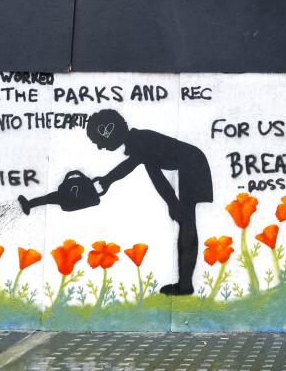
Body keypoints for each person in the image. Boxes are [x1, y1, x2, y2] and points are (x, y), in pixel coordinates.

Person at [86, 108, 213, 296]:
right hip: (192, 163)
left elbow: (152, 174)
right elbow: (146, 170)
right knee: (186, 225)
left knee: (187, 226)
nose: (100, 147)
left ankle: (185, 285)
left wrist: (172, 202)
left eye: (99, 141)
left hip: (193, 164)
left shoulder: (139, 141)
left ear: (110, 130)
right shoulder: (138, 141)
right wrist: (107, 180)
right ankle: (184, 283)